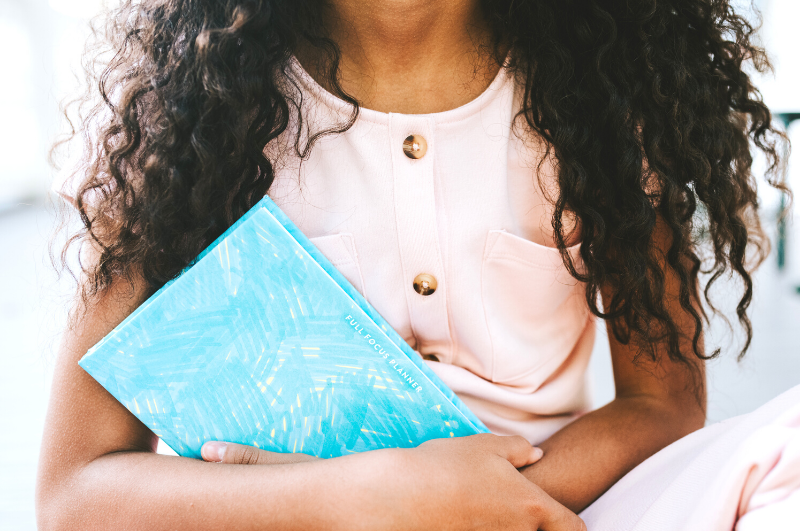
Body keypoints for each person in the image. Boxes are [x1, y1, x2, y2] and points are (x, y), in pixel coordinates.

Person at [36, 0, 787, 529]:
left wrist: (467, 501)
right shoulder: (175, 115)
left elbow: (665, 402)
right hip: (291, 519)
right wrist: (366, 499)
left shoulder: (610, 92)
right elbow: (74, 494)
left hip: (557, 504)